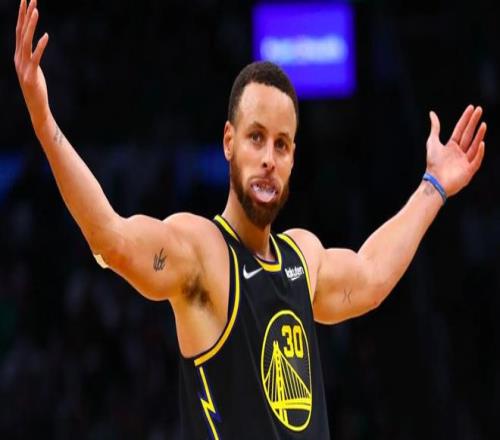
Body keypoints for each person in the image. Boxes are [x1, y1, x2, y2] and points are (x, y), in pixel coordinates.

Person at [14, 0, 487, 438]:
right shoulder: (202, 252)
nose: (268, 158)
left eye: (281, 145)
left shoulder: (303, 257)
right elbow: (110, 237)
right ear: (229, 142)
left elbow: (372, 275)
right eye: (256, 138)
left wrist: (434, 186)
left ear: (293, 158)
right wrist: (43, 119)